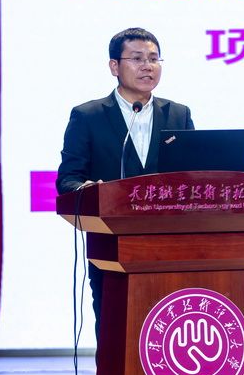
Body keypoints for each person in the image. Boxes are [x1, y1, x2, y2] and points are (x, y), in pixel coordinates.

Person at [56, 27, 194, 336]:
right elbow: (68, 179)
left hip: (170, 246)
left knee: (168, 332)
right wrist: (87, 191)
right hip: (112, 246)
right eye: (137, 58)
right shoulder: (88, 116)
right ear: (114, 66)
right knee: (116, 331)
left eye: (154, 59)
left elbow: (191, 177)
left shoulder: (178, 115)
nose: (148, 66)